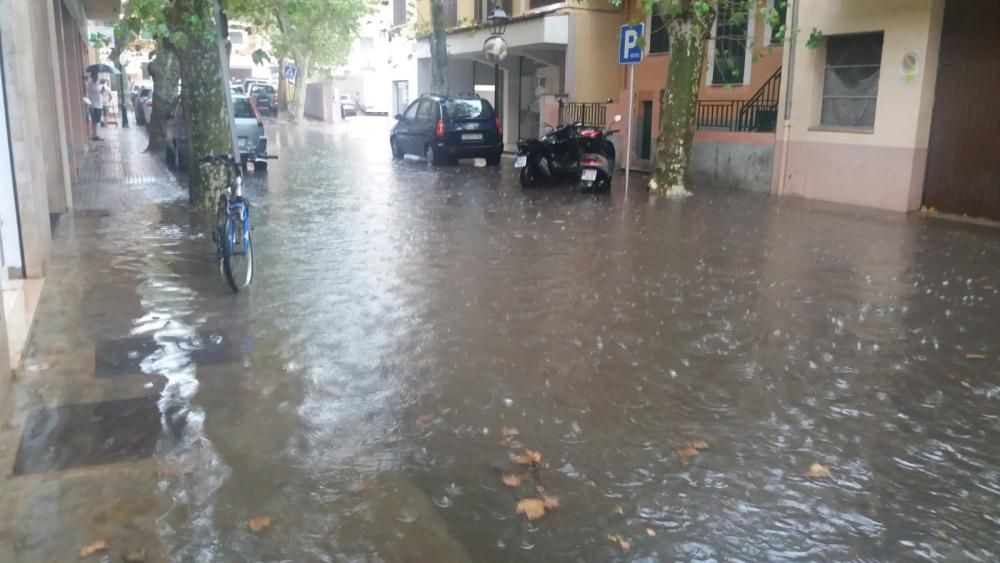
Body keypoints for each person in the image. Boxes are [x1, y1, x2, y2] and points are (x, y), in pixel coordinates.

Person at [86, 71, 104, 141]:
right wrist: (90, 104)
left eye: (97, 76)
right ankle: (94, 135)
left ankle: (96, 134)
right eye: (95, 76)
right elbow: (89, 94)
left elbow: (99, 94)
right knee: (94, 120)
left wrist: (102, 90)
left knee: (97, 120)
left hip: (99, 104)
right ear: (92, 76)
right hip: (93, 105)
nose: (97, 77)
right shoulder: (90, 84)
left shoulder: (97, 84)